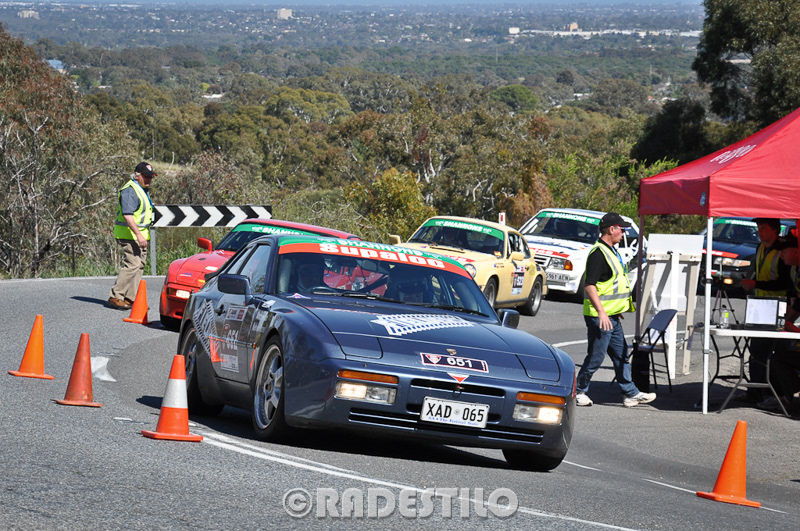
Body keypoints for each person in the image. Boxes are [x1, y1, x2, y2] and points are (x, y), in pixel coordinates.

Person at [576, 212, 656, 408]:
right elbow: (589, 285)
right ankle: (578, 391)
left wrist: (615, 309)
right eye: (622, 229)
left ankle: (630, 393)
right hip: (600, 317)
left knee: (621, 355)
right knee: (596, 357)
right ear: (611, 230)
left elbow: (612, 285)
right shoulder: (598, 254)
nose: (624, 233)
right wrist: (602, 312)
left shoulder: (611, 251)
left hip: (612, 315)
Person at [739, 218, 793, 398]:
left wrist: (756, 284)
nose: (759, 231)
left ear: (775, 230)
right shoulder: (760, 247)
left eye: (763, 228)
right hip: (759, 304)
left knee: (774, 350)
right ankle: (755, 390)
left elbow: (785, 283)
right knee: (757, 350)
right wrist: (752, 283)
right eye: (758, 228)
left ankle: (772, 392)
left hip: (778, 305)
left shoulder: (782, 250)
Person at [108, 162, 156, 310]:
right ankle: (116, 296)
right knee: (133, 264)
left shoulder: (142, 189)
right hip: (129, 235)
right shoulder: (130, 190)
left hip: (140, 236)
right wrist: (139, 235)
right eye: (146, 176)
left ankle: (131, 298)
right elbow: (128, 216)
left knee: (139, 266)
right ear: (137, 175)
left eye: (151, 177)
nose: (149, 179)